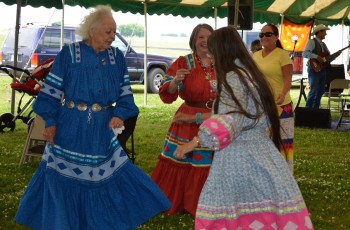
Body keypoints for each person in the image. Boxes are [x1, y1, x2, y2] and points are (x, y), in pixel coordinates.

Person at [14, 5, 170, 229]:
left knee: (102, 178)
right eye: (108, 32)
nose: (112, 37)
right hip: (69, 126)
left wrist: (119, 115)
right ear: (92, 30)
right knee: (62, 179)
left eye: (114, 32)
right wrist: (50, 122)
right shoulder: (68, 54)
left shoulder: (117, 57)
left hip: (100, 129)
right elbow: (50, 93)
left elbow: (126, 97)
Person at [174, 26, 313, 230]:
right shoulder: (247, 73)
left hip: (241, 156)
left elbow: (232, 118)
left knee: (229, 211)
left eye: (211, 51)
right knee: (261, 214)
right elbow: (239, 113)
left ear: (221, 51)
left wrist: (194, 142)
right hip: (261, 152)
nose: (209, 56)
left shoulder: (233, 77)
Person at [151, 24, 216, 216]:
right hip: (187, 118)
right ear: (194, 41)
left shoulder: (220, 61)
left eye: (208, 37)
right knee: (183, 160)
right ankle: (179, 200)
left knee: (209, 162)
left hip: (215, 117)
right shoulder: (183, 62)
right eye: (200, 37)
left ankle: (207, 202)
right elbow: (167, 94)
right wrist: (176, 82)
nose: (205, 41)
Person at [252, 23, 294, 173]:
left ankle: (285, 176)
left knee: (283, 142)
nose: (264, 37)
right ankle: (265, 175)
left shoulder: (282, 55)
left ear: (276, 37)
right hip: (261, 105)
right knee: (262, 142)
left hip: (281, 106)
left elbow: (288, 78)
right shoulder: (255, 55)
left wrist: (283, 93)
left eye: (268, 34)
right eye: (261, 35)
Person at [302, 24, 342, 109]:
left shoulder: (323, 44)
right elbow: (305, 53)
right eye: (324, 32)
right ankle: (308, 111)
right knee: (314, 90)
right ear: (319, 32)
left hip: (322, 69)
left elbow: (326, 59)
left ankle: (315, 109)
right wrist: (317, 57)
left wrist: (336, 55)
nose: (326, 34)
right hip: (314, 69)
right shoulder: (312, 42)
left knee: (321, 90)